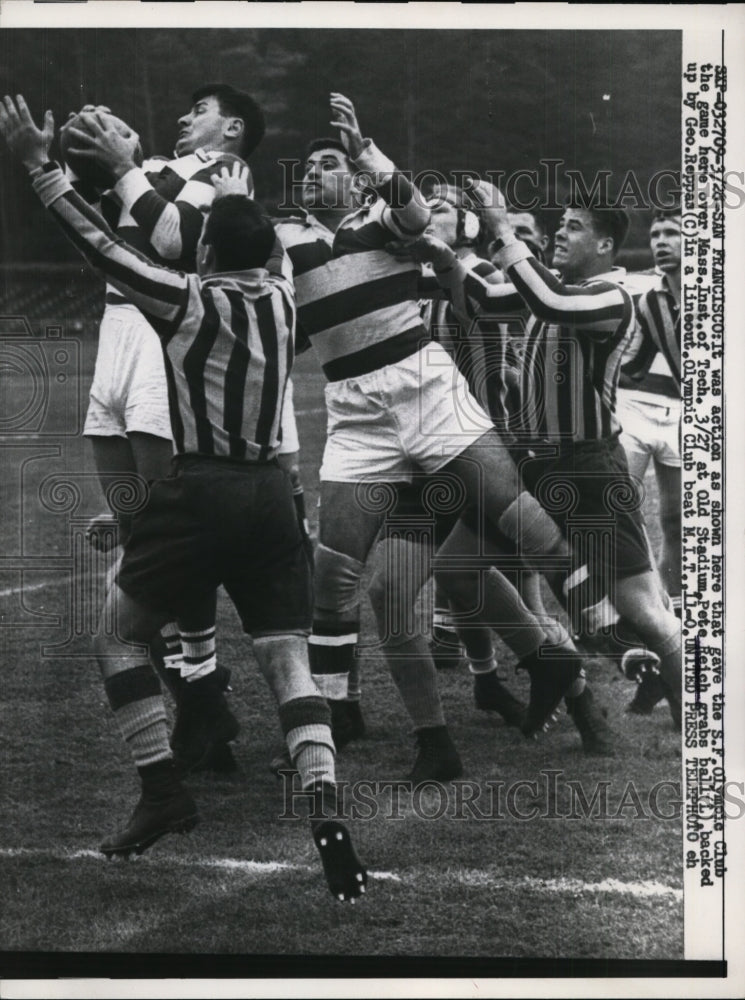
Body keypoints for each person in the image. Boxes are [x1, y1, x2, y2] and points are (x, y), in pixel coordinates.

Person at [0, 95, 366, 902]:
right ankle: (324, 801)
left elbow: (98, 245)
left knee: (118, 638)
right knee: (285, 659)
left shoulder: (187, 299)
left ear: (202, 253)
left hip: (196, 490)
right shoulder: (280, 300)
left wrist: (38, 164)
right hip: (271, 495)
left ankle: (163, 789)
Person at [276, 95, 586, 780]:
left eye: (328, 164)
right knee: (342, 580)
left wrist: (368, 153)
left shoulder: (383, 224)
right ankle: (390, 735)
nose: (311, 172)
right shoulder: (286, 242)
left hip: (426, 394)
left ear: (354, 183)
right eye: (309, 165)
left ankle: (613, 647)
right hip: (356, 417)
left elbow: (414, 213)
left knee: (527, 536)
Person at [63, 84, 267, 770]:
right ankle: (204, 708)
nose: (182, 115)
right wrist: (67, 165)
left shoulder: (223, 179)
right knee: (134, 533)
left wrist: (118, 166)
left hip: (160, 334)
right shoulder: (147, 171)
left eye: (200, 108)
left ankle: (203, 701)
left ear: (231, 128)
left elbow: (175, 241)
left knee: (160, 539)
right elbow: (91, 229)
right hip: (114, 335)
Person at [428, 179, 682, 730]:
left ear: (607, 246)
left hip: (587, 469)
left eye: (573, 227)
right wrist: (441, 255)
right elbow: (485, 301)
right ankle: (550, 662)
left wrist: (498, 224)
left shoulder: (608, 295)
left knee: (646, 612)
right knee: (453, 565)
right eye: (561, 225)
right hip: (531, 467)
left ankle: (698, 717)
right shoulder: (553, 285)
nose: (560, 234)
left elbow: (550, 302)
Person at [617, 207, 682, 712]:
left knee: (679, 524)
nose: (661, 241)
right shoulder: (652, 298)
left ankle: (673, 636)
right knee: (628, 515)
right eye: (656, 233)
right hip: (640, 411)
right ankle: (657, 636)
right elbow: (631, 363)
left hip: (696, 414)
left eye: (672, 233)